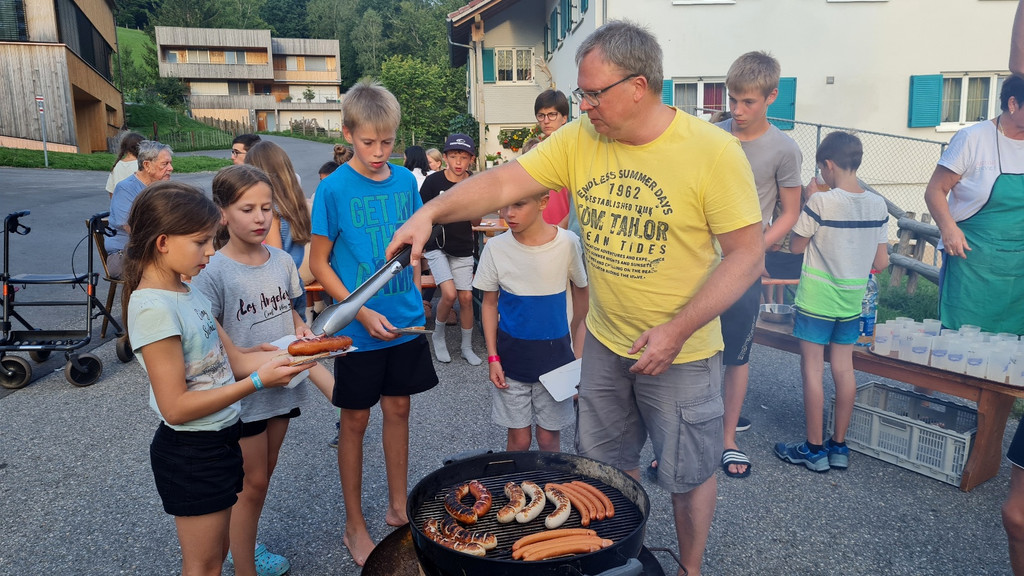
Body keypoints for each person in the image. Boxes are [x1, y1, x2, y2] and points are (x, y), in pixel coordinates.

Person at [386, 21, 763, 576]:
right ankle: (613, 561)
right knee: (607, 470)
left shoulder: (713, 152)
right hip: (607, 345)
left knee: (688, 475)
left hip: (682, 351)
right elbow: (505, 181)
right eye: (580, 94)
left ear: (638, 87)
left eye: (593, 94)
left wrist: (678, 329)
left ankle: (690, 569)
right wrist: (429, 212)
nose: (583, 106)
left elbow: (747, 257)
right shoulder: (583, 137)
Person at [121, 182, 308, 576]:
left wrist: (290, 355)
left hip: (222, 437)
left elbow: (233, 360)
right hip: (192, 452)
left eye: (211, 240)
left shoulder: (187, 290)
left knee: (218, 553)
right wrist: (258, 382)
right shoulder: (153, 309)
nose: (210, 251)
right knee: (204, 565)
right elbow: (175, 407)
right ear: (163, 242)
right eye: (200, 242)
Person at [309, 80, 438, 566]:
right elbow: (318, 263)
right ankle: (354, 524)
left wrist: (419, 294)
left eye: (388, 141)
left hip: (404, 319)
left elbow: (412, 248)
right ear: (348, 134)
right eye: (368, 142)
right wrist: (360, 310)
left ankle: (398, 507)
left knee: (399, 409)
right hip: (357, 327)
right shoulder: (333, 188)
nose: (380, 152)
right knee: (355, 419)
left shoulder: (405, 181)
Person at [192, 165, 335, 576]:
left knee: (262, 476)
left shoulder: (281, 261)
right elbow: (214, 341)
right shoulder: (213, 271)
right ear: (222, 213)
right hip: (246, 392)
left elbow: (289, 310)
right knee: (251, 483)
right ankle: (244, 564)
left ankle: (241, 542)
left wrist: (301, 328)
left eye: (266, 208)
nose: (259, 218)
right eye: (247, 209)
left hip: (284, 385)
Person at [774, 131, 888, 473]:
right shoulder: (878, 204)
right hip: (852, 302)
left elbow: (796, 246)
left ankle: (813, 449)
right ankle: (838, 446)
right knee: (844, 369)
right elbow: (881, 262)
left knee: (812, 369)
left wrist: (809, 199)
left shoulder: (821, 202)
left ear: (828, 165)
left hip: (817, 299)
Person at [713, 51, 803, 479]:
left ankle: (728, 438)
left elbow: (790, 213)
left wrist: (754, 248)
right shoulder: (711, 135)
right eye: (732, 100)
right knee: (692, 353)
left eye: (748, 102)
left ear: (771, 97)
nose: (737, 110)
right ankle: (686, 436)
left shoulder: (785, 149)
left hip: (743, 269)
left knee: (736, 354)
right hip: (697, 263)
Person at [475, 190, 588, 452]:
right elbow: (489, 304)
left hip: (558, 361)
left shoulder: (567, 243)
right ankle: (516, 480)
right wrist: (492, 357)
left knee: (549, 439)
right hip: (511, 361)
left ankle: (549, 479)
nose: (508, 214)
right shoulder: (495, 248)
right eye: (503, 206)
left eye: (518, 204)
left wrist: (578, 358)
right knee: (519, 440)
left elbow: (582, 298)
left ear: (543, 202)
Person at [420, 134, 483, 366]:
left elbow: (476, 221)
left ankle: (466, 347)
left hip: (463, 245)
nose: (458, 162)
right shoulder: (433, 182)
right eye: (454, 156)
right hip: (436, 245)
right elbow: (421, 215)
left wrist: (470, 203)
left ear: (471, 159)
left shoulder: (475, 182)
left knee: (465, 297)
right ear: (445, 157)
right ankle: (438, 336)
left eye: (464, 157)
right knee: (449, 294)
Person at [245, 140, 312, 321]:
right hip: (295, 281)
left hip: (277, 288)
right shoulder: (294, 204)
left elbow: (275, 256)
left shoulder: (272, 212)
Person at [107, 140, 174, 278]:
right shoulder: (126, 189)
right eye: (165, 164)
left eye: (170, 163)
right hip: (126, 255)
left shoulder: (163, 188)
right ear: (147, 165)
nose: (171, 168)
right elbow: (131, 228)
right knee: (176, 267)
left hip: (157, 251)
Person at [534, 90, 572, 227]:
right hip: (538, 228)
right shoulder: (535, 152)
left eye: (552, 115)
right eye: (541, 115)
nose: (546, 121)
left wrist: (559, 230)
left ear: (564, 118)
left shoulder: (572, 151)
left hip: (566, 230)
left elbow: (579, 202)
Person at [105, 132, 145, 198]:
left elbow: (111, 191)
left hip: (120, 202)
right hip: (137, 202)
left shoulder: (117, 166)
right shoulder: (141, 165)